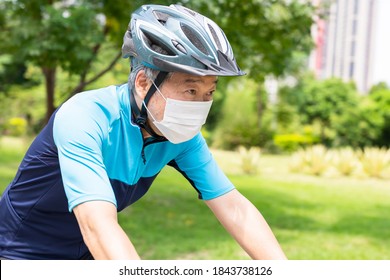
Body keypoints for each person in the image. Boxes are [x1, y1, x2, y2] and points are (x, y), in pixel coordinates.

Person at [0, 4, 286, 260]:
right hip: (17, 253)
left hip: (86, 256)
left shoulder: (181, 137)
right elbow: (97, 224)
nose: (201, 104)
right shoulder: (85, 117)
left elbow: (235, 208)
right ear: (142, 83)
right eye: (190, 89)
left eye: (209, 92)